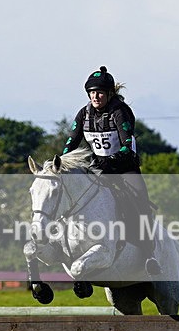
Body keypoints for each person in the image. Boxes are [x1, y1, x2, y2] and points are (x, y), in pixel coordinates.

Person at [63, 66, 161, 276]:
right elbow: (71, 143)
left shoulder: (119, 111)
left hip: (124, 168)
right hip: (98, 169)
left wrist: (109, 161)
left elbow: (127, 146)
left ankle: (149, 253)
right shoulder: (84, 114)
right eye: (92, 93)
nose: (95, 97)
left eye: (99, 93)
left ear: (109, 94)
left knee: (140, 199)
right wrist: (61, 163)